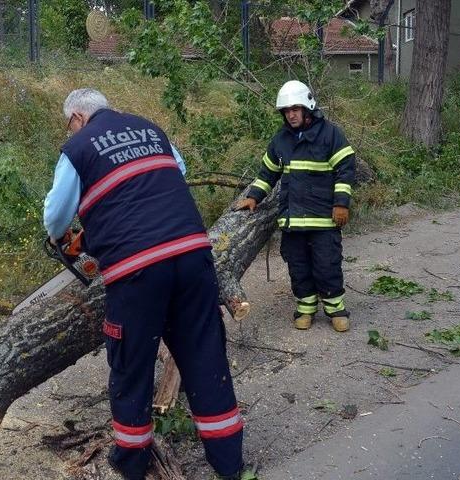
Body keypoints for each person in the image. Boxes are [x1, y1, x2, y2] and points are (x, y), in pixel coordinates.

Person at [44, 89, 244, 479]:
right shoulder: (150, 129)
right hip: (192, 254)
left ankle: (133, 461)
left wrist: (65, 235)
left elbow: (56, 217)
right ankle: (229, 461)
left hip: (137, 270)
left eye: (68, 124)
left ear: (77, 118)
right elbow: (175, 173)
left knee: (131, 362)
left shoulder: (78, 148)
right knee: (204, 352)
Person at [235, 80, 356, 332]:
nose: (291, 115)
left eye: (295, 109)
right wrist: (254, 196)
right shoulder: (281, 140)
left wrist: (341, 204)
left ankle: (336, 309)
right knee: (298, 267)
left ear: (307, 108)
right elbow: (267, 173)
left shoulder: (330, 135)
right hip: (292, 221)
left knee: (327, 265)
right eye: (286, 111)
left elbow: (345, 170)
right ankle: (305, 308)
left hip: (324, 220)